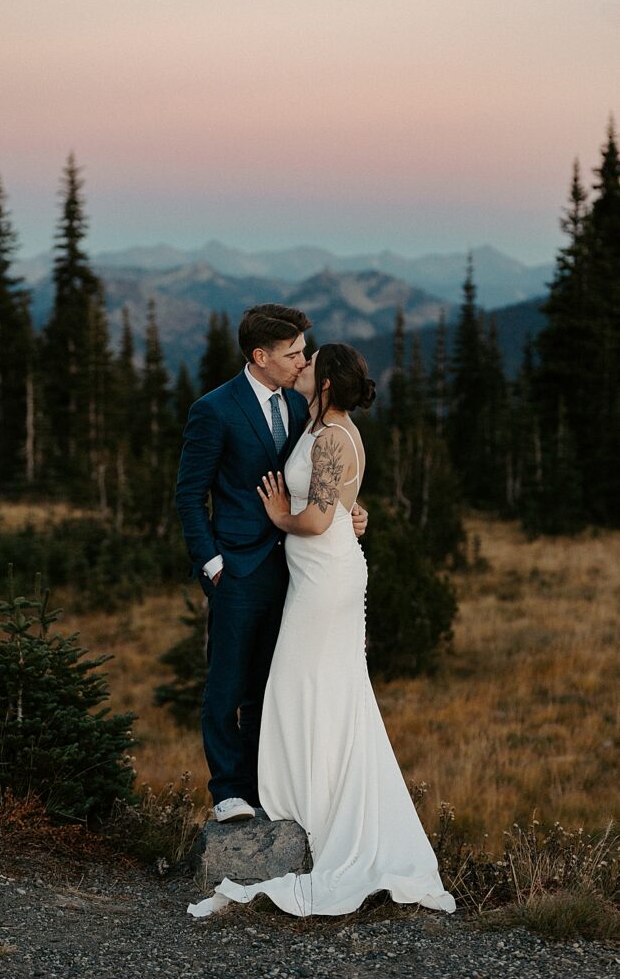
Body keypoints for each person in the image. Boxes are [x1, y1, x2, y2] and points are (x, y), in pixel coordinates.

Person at [188, 344, 456, 917]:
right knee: (306, 684)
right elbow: (336, 501)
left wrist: (282, 515)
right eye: (295, 357)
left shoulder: (333, 434)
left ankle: (318, 803)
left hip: (325, 576)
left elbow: (316, 516)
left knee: (305, 682)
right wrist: (345, 510)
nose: (301, 365)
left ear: (328, 381)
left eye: (309, 363)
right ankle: (298, 795)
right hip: (306, 573)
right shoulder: (310, 420)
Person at [175, 307, 368, 824]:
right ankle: (229, 793)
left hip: (298, 572)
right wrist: (212, 563)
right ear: (260, 357)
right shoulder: (214, 410)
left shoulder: (302, 405)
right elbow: (189, 495)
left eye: (304, 350)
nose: (303, 359)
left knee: (273, 683)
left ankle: (266, 787)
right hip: (236, 568)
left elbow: (322, 481)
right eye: (293, 354)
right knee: (227, 683)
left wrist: (349, 512)